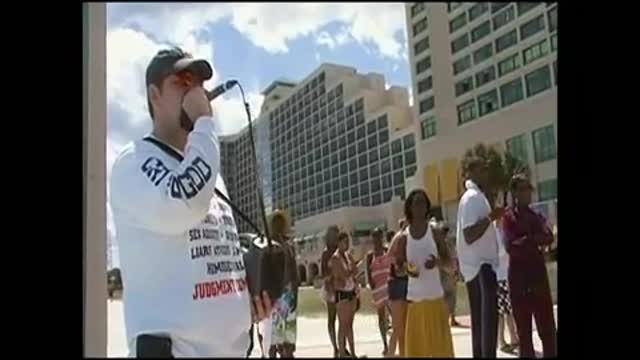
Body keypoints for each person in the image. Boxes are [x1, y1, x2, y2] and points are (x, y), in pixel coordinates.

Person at [109, 47, 271, 357]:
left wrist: (243, 302)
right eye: (182, 81)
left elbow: (217, 252)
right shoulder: (134, 162)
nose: (196, 90)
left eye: (198, 82)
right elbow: (183, 204)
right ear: (154, 95)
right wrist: (204, 125)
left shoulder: (207, 168)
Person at [390, 190, 455, 357]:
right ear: (409, 207)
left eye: (423, 203)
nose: (420, 206)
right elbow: (398, 267)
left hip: (435, 300)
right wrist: (407, 269)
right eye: (416, 203)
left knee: (441, 352)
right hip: (415, 303)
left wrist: (437, 263)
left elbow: (451, 265)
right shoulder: (404, 238)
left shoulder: (435, 233)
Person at [502, 174, 557, 358]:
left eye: (529, 189)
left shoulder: (537, 216)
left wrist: (527, 239)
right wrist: (534, 239)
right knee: (524, 334)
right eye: (523, 189)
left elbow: (548, 236)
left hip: (538, 277)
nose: (527, 193)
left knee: (548, 329)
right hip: (519, 281)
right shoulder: (508, 218)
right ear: (515, 192)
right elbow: (511, 246)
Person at [456, 157, 503, 358]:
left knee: (482, 323)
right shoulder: (471, 198)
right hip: (480, 268)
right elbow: (469, 234)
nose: (486, 173)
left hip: (481, 267)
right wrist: (491, 218)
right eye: (482, 169)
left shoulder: (477, 197)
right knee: (486, 323)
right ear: (472, 171)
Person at [268, 210, 299, 358]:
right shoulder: (269, 247)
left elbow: (294, 274)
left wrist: (295, 295)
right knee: (274, 341)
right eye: (277, 224)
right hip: (277, 296)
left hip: (285, 297)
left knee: (285, 339)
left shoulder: (287, 247)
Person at [330, 232, 359, 358]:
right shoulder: (335, 258)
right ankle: (341, 352)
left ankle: (352, 353)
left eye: (348, 242)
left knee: (350, 325)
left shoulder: (348, 256)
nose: (347, 244)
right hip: (342, 294)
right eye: (344, 242)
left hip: (351, 292)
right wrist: (351, 270)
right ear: (339, 242)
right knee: (343, 325)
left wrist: (352, 270)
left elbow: (354, 270)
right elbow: (343, 274)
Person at [320, 225, 347, 358]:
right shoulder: (326, 253)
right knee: (332, 318)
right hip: (331, 288)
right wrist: (331, 276)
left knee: (343, 318)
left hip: (341, 287)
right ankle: (336, 347)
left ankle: (342, 346)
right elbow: (323, 273)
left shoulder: (341, 251)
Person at [365, 228, 392, 355]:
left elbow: (392, 266)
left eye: (379, 237)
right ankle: (385, 345)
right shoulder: (370, 256)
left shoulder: (387, 250)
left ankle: (394, 343)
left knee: (394, 315)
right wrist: (371, 284)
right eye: (375, 237)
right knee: (381, 318)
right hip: (378, 290)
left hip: (389, 286)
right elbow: (368, 273)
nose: (377, 240)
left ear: (382, 237)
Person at [386, 220, 409, 357]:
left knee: (402, 326)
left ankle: (401, 353)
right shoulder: (400, 237)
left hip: (403, 281)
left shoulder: (403, 237)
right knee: (399, 326)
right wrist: (400, 264)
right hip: (398, 282)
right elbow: (390, 257)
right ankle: (393, 353)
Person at [496, 218, 519, 353]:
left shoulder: (502, 231)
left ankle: (512, 337)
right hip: (500, 277)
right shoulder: (497, 233)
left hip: (506, 275)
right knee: (503, 311)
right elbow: (502, 251)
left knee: (508, 310)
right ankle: (502, 340)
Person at [434, 221, 462, 328]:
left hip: (451, 273)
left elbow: (455, 258)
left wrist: (456, 271)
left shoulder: (449, 244)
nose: (445, 233)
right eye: (443, 231)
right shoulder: (439, 246)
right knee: (445, 297)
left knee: (452, 297)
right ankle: (444, 320)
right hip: (443, 274)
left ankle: (452, 318)